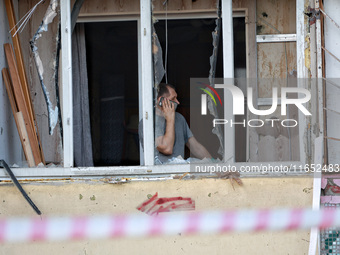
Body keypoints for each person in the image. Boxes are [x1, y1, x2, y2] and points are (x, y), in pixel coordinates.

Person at [139, 83, 212, 164]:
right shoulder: (147, 123)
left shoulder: (179, 118)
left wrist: (214, 163)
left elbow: (195, 147)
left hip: (179, 173)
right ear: (161, 101)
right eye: (173, 98)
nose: (177, 102)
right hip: (160, 174)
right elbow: (167, 149)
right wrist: (170, 119)